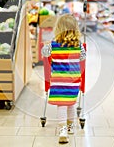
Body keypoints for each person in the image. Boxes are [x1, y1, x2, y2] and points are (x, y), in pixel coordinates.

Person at [41, 14, 86, 144]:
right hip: (73, 82)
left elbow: (44, 53)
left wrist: (47, 44)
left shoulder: (53, 44)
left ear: (58, 28)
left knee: (61, 105)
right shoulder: (78, 45)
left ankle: (63, 130)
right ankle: (71, 126)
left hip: (58, 82)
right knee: (71, 103)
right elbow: (83, 57)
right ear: (75, 28)